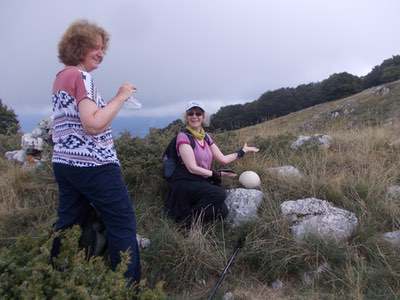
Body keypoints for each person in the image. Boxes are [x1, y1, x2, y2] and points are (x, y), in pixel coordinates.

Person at [49, 19, 140, 284]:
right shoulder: (81, 76)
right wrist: (121, 96)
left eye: (103, 48)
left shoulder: (61, 77)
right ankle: (125, 289)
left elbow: (77, 122)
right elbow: (93, 124)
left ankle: (51, 276)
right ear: (78, 47)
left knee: (68, 222)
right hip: (94, 165)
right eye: (95, 47)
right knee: (122, 224)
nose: (101, 53)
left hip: (65, 164)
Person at [165, 101, 259, 225]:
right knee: (219, 194)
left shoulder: (206, 137)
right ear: (186, 117)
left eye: (198, 113)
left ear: (203, 117)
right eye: (190, 113)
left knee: (222, 211)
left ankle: (189, 215)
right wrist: (216, 174)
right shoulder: (183, 137)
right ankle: (185, 222)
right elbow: (192, 168)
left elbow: (223, 159)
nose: (194, 116)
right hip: (183, 182)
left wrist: (242, 151)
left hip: (199, 181)